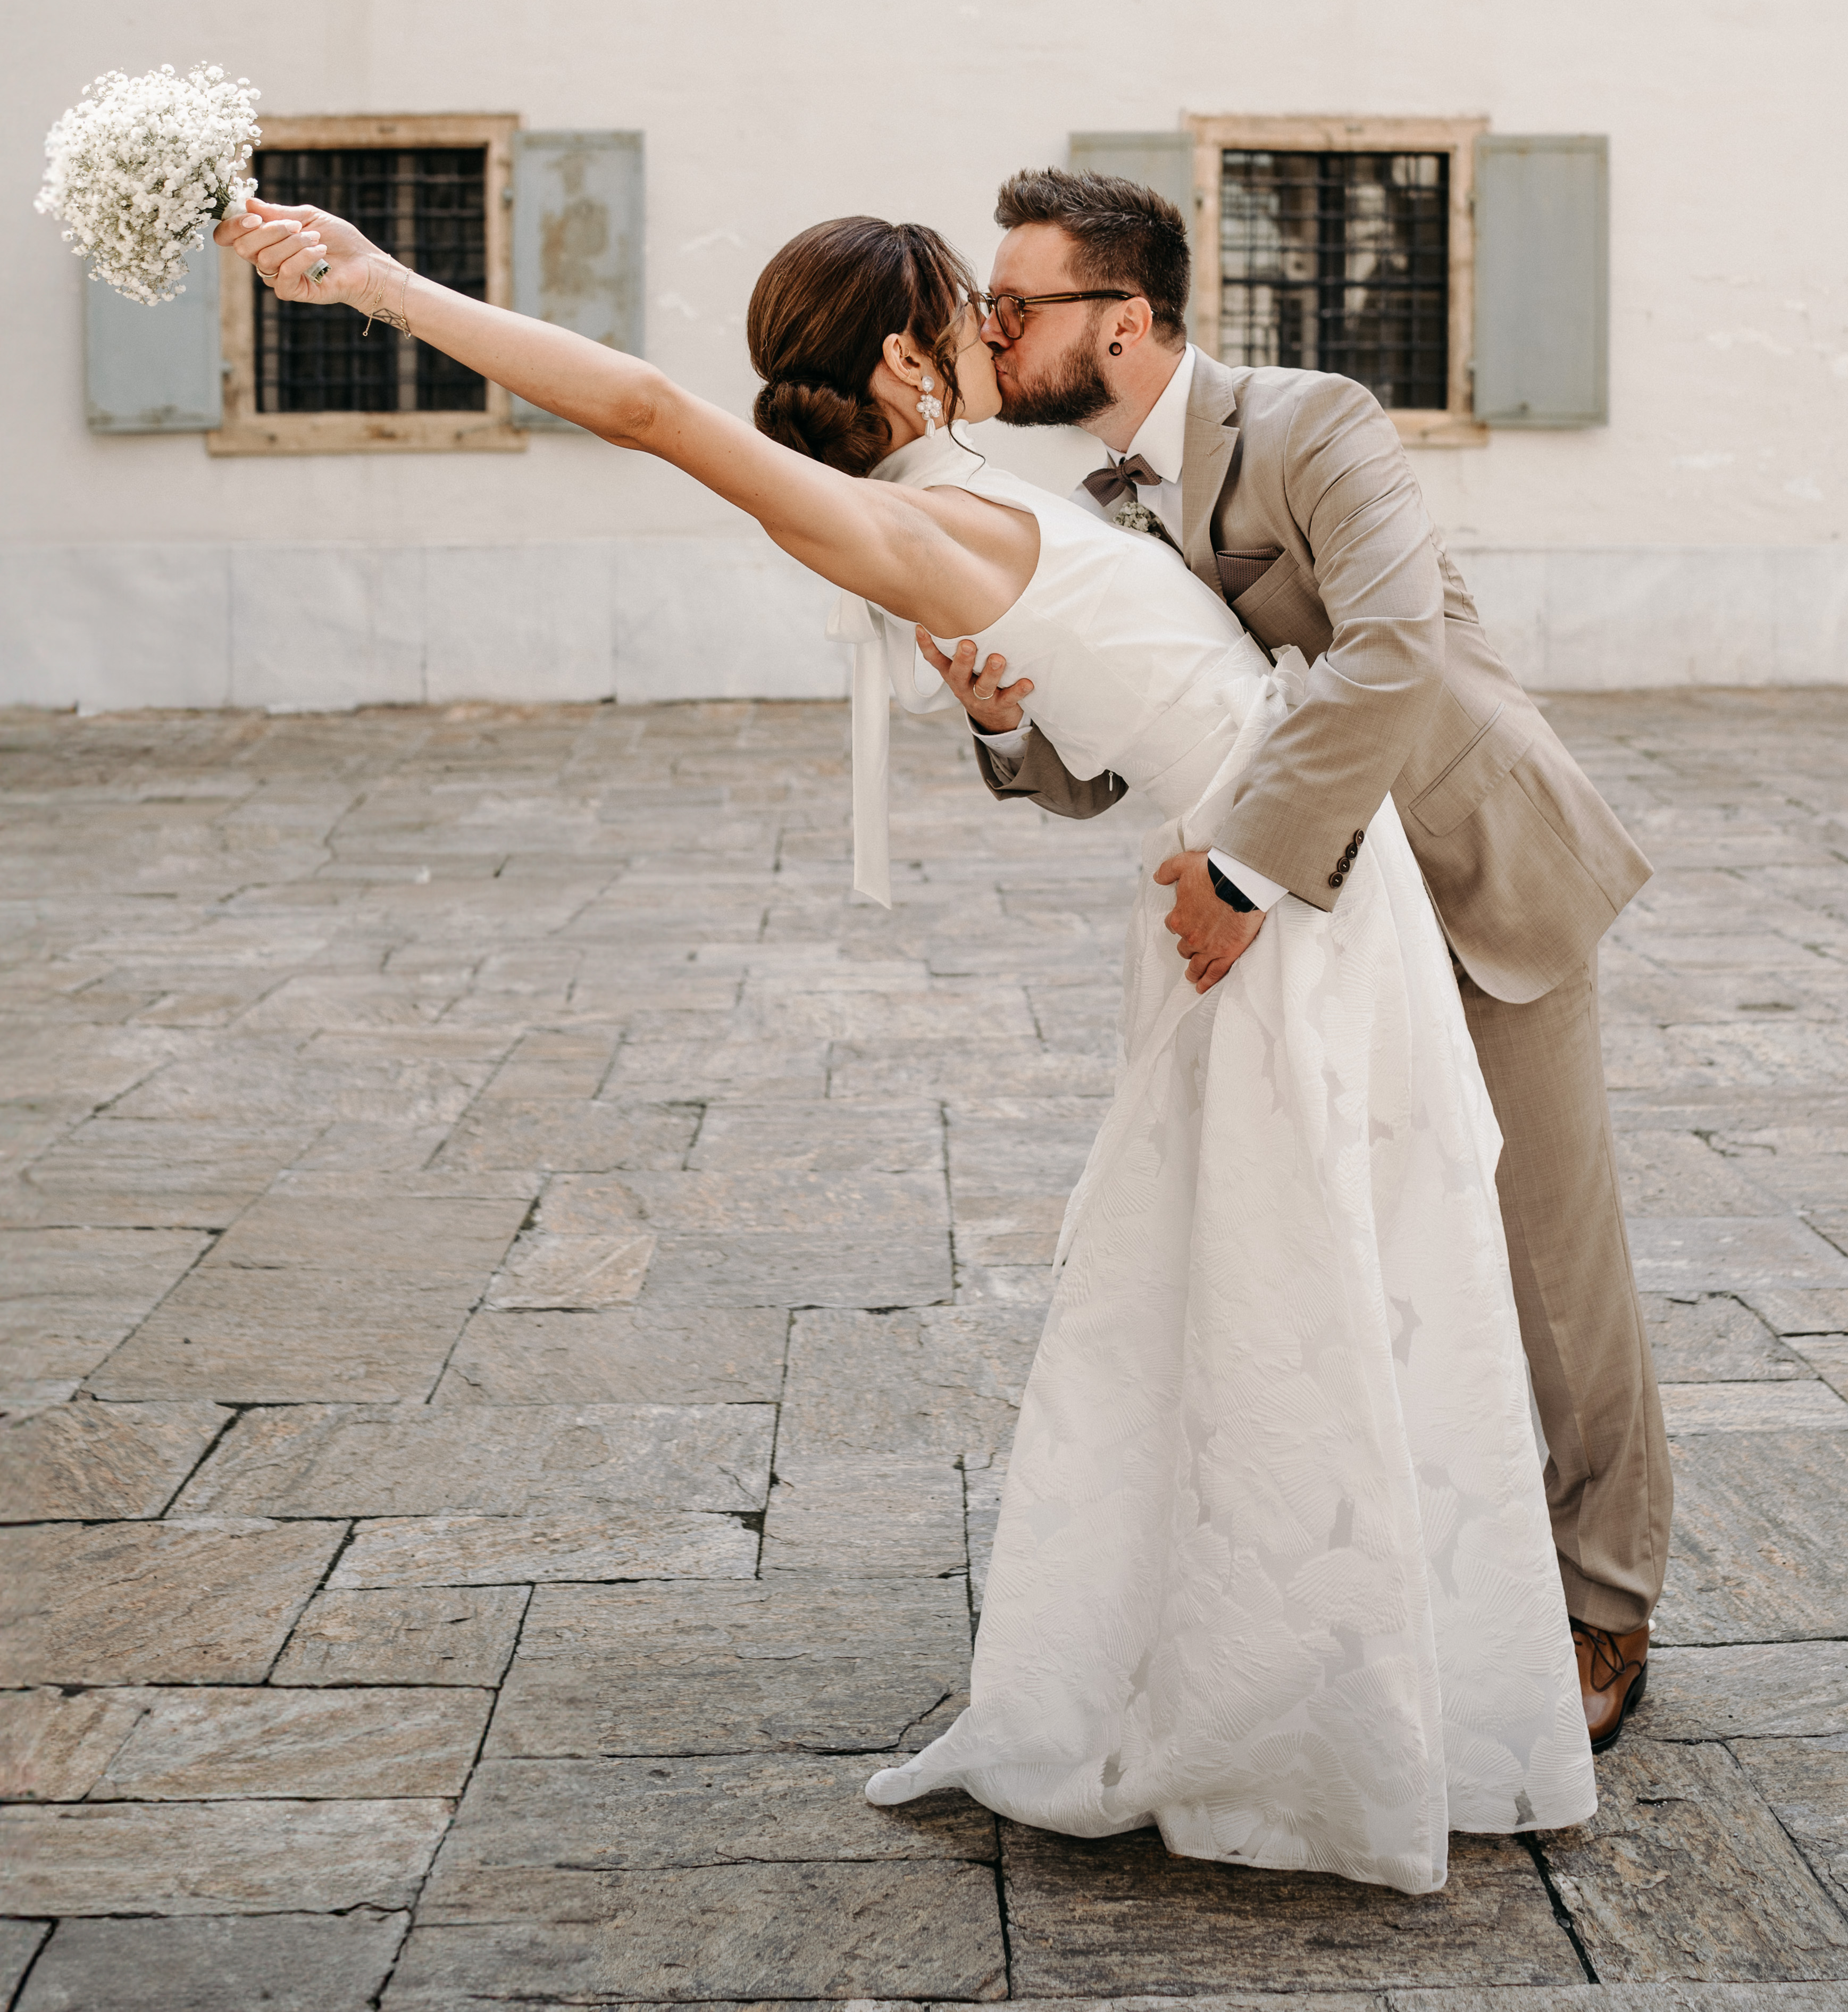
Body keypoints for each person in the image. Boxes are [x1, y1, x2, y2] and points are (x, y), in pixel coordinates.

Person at [216, 188, 1595, 1890]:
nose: (994, 334)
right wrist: (387, 284)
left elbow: (1142, 667)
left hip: (1289, 884)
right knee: (1287, 1285)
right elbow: (644, 410)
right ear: (902, 359)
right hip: (1276, 912)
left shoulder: (965, 499)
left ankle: (1338, 1658)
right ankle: (1298, 1694)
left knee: (1316, 1273)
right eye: (968, 310)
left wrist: (1016, 706)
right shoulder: (886, 518)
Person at [924, 166, 1668, 1753]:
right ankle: (1416, 1570)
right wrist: (1000, 716)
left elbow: (1390, 650)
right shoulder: (1080, 499)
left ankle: (1605, 1602)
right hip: (1327, 923)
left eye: (1014, 304)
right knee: (1371, 1240)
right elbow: (1105, 755)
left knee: (1553, 1259)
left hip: (1472, 872)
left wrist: (1250, 869)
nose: (991, 332)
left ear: (1121, 320)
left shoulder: (1315, 423)